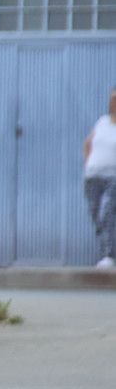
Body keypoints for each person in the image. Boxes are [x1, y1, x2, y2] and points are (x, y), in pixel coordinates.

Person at [82, 87, 116, 269]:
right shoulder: (102, 122)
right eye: (112, 99)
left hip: (113, 178)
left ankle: (108, 256)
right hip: (93, 177)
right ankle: (106, 249)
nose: (114, 103)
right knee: (96, 214)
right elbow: (88, 143)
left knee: (106, 213)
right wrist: (88, 164)